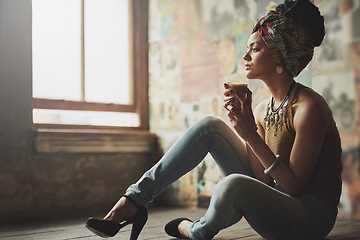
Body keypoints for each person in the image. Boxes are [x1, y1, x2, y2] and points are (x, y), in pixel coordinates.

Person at [85, 0, 343, 239]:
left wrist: (249, 134)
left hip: (310, 217)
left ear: (280, 57)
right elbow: (262, 180)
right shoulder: (266, 108)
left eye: (255, 49)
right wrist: (247, 125)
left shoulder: (310, 108)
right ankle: (134, 200)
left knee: (231, 186)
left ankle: (196, 231)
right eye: (247, 49)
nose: (245, 57)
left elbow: (295, 185)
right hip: (277, 203)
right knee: (210, 127)